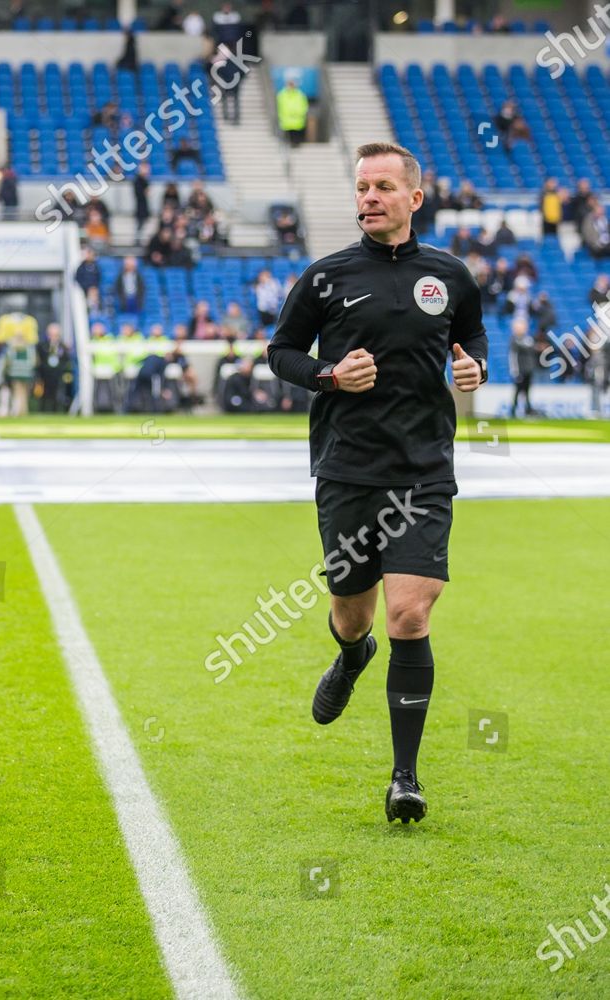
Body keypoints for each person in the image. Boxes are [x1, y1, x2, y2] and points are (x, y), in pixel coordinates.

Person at [265, 141, 487, 825]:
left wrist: (474, 368)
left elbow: (473, 338)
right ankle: (351, 653)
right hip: (347, 470)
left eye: (383, 187)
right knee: (356, 615)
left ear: (414, 199)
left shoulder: (449, 275)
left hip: (423, 472)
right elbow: (280, 353)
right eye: (362, 187)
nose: (368, 198)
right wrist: (331, 375)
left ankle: (404, 777)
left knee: (410, 615)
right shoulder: (326, 277)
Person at [277, 74, 309, 147]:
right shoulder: (282, 95)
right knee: (288, 136)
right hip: (286, 120)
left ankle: (296, 144)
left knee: (296, 136)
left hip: (297, 119)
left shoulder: (300, 94)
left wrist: (301, 113)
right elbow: (279, 106)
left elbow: (304, 106)